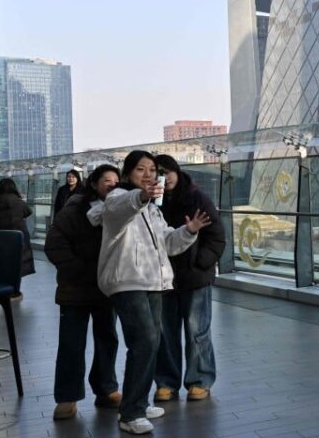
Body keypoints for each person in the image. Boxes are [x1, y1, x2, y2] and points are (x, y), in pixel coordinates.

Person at [90, 151, 212, 435]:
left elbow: (168, 243)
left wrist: (189, 230)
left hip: (154, 281)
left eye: (152, 169)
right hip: (127, 281)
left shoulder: (153, 210)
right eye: (141, 169)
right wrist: (142, 196)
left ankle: (139, 403)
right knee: (144, 340)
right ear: (128, 173)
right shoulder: (118, 198)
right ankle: (130, 412)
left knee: (150, 343)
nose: (148, 174)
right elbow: (124, 207)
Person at [44, 165, 122, 421]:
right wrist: (76, 269)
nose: (111, 184)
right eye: (106, 180)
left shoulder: (118, 209)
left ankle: (106, 389)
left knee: (107, 339)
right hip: (75, 288)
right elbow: (54, 243)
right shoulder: (76, 208)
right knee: (71, 344)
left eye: (115, 181)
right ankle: (67, 398)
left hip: (104, 288)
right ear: (94, 183)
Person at [152, 154, 225, 403]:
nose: (164, 177)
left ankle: (200, 379)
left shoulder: (196, 197)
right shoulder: (151, 203)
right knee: (165, 332)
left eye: (167, 170)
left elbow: (217, 235)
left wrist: (200, 263)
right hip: (163, 278)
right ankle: (166, 382)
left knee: (197, 332)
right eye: (158, 172)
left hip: (194, 279)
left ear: (176, 170)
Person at [0, 178, 35, 277]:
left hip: (0, 236)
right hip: (19, 237)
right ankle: (15, 287)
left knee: (2, 265)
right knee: (18, 263)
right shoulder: (19, 202)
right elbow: (28, 212)